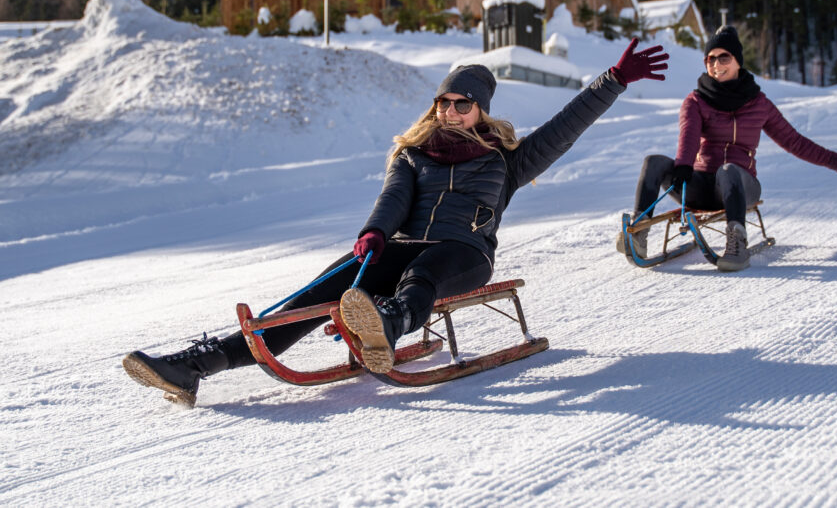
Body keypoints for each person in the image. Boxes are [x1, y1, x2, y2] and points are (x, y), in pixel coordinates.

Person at [123, 39, 669, 406]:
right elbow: (393, 199)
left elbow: (564, 128)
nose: (450, 112)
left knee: (423, 273)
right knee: (319, 292)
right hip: (401, 244)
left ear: (480, 110)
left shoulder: (506, 161)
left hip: (463, 252)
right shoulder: (413, 154)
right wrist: (374, 234)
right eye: (443, 103)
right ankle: (201, 364)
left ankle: (387, 324)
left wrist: (614, 79)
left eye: (462, 105)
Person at [620, 25, 837, 272]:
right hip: (699, 187)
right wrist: (684, 165)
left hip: (740, 186)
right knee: (654, 161)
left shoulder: (759, 104)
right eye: (710, 59)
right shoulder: (696, 101)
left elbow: (795, 142)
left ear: (738, 61)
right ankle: (639, 233)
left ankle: (737, 244)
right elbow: (689, 135)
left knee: (728, 169)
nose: (716, 64)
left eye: (724, 57)